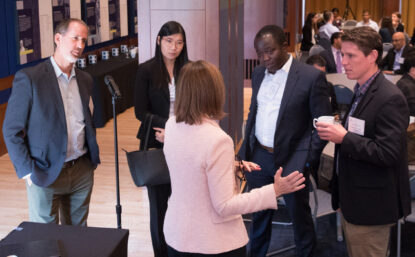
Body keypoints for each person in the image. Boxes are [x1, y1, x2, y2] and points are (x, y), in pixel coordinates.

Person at [162, 60, 306, 257]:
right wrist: (275, 190)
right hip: (212, 242)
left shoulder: (171, 125)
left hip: (177, 234)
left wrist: (230, 166)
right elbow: (225, 206)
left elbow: (192, 166)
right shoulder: (217, 140)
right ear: (214, 93)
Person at [315, 26, 411, 257]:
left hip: (372, 207)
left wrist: (344, 137)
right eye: (343, 54)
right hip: (354, 200)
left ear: (373, 56)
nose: (344, 61)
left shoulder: (390, 98)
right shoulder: (361, 90)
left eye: (351, 56)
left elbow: (387, 153)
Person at [239, 25, 332, 257]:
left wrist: (306, 160)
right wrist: (244, 152)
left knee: (299, 217)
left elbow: (323, 124)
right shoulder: (259, 73)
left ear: (285, 46)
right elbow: (254, 113)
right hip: (260, 157)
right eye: (259, 53)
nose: (264, 58)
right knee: (258, 216)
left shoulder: (311, 77)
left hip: (292, 159)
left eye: (270, 51)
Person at [2, 18, 100, 225]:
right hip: (44, 173)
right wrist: (28, 172)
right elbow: (11, 131)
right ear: (58, 38)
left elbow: (86, 120)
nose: (80, 46)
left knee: (78, 236)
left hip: (81, 170)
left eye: (84, 40)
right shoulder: (30, 78)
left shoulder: (85, 79)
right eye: (75, 38)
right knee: (45, 240)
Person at [134, 20, 188, 257]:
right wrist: (167, 127)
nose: (173, 47)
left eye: (178, 42)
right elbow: (140, 112)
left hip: (186, 142)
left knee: (184, 202)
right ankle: (161, 253)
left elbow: (195, 106)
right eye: (168, 41)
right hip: (157, 142)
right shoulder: (146, 70)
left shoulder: (188, 69)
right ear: (159, 41)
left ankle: (181, 249)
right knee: (158, 205)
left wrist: (178, 131)